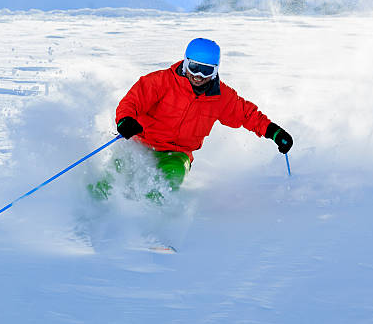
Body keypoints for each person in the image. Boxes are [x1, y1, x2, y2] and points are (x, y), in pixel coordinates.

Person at [90, 38, 292, 201]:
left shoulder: (221, 97)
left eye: (206, 70)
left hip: (176, 154)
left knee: (172, 176)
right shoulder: (161, 82)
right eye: (194, 67)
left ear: (215, 71)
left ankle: (150, 221)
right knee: (117, 171)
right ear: (185, 62)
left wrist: (274, 132)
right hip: (140, 143)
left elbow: (248, 115)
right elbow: (133, 101)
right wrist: (125, 120)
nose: (198, 75)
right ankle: (91, 207)